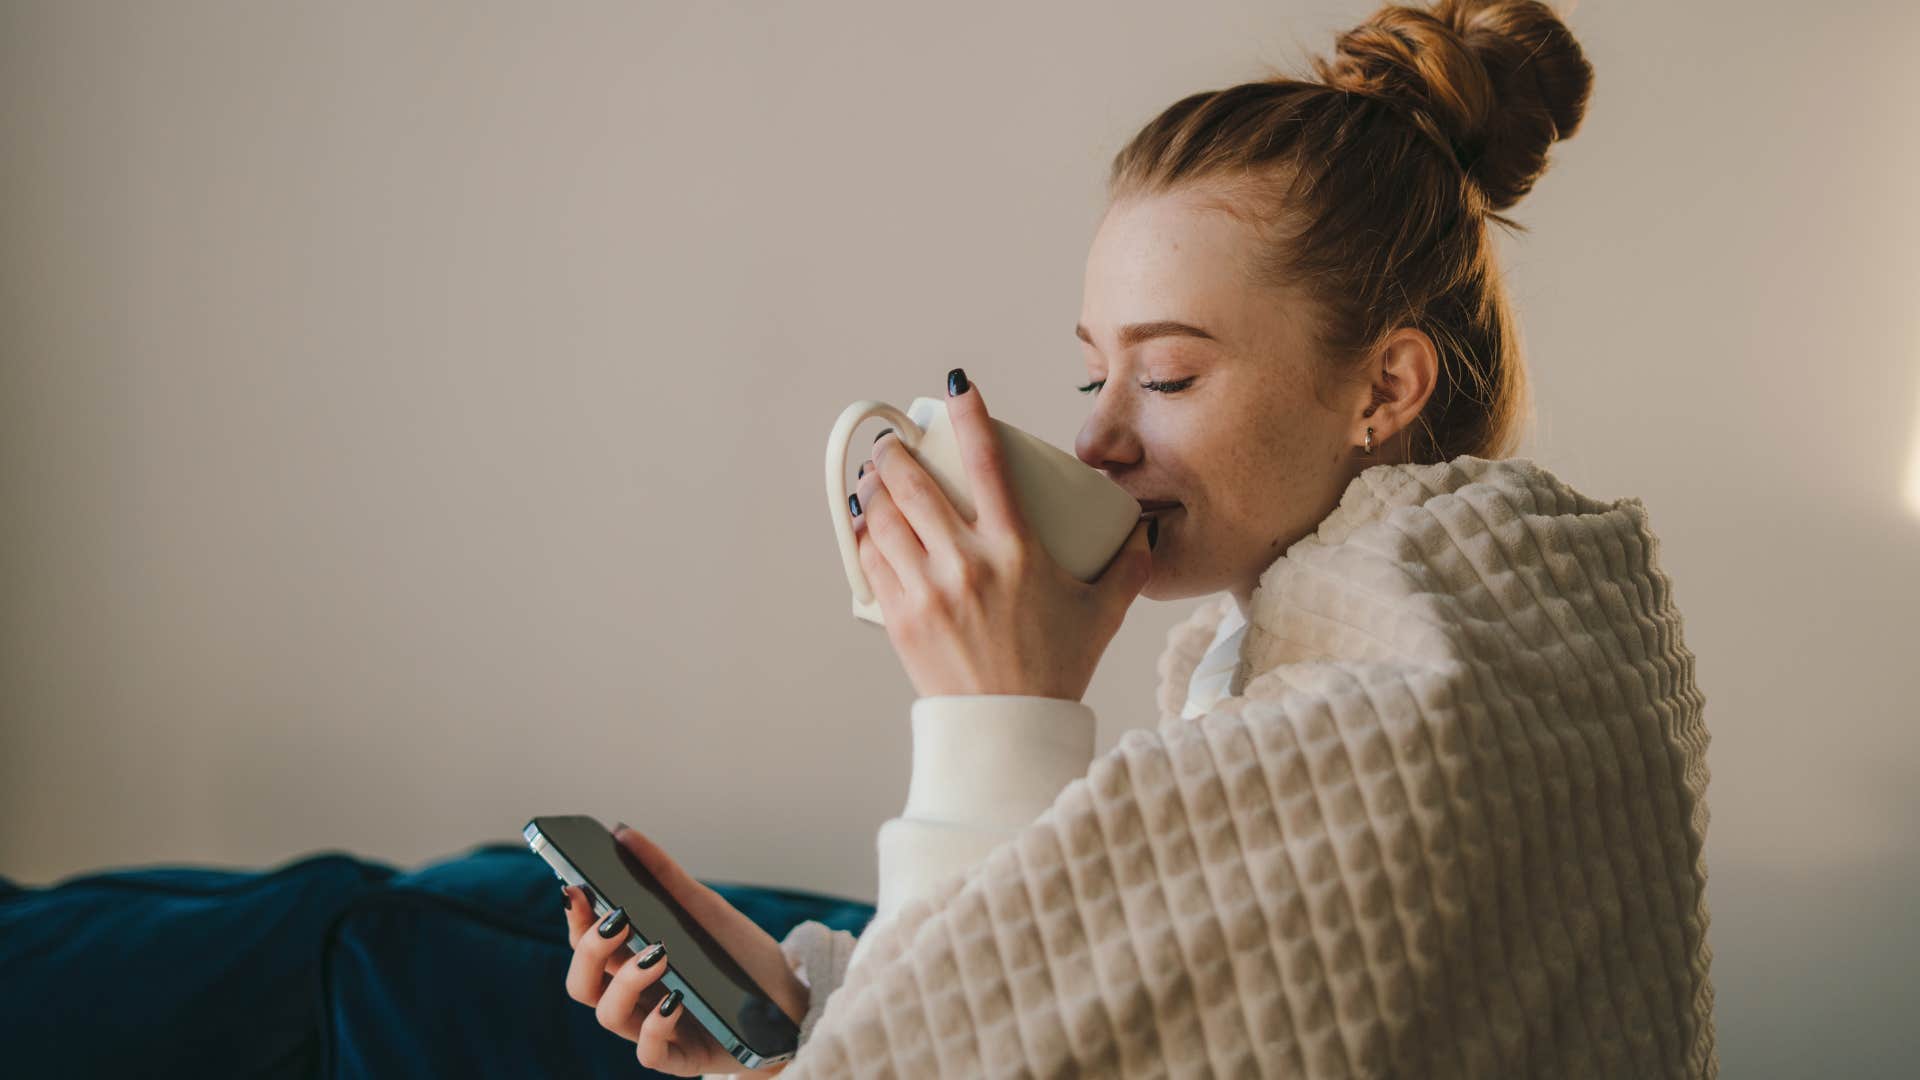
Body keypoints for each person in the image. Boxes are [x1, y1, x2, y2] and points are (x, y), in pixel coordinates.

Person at [562, 0, 1717, 1076]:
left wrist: (995, 717)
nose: (1096, 434)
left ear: (1387, 384)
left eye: (1165, 374)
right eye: (1093, 368)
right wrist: (810, 1007)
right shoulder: (1340, 660)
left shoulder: (1425, 711)